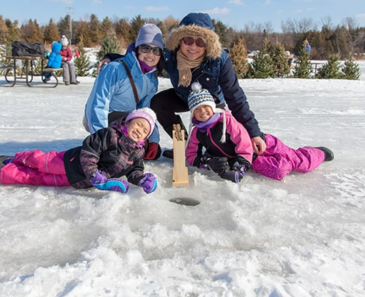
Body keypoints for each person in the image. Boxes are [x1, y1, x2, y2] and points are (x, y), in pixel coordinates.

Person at [99, 13, 266, 159]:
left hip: (212, 103)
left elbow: (236, 97)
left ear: (208, 44)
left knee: (216, 143)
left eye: (200, 42)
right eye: (188, 40)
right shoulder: (169, 56)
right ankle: (184, 146)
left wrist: (254, 133)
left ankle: (209, 149)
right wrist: (111, 57)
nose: (193, 46)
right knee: (158, 103)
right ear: (180, 40)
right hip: (183, 97)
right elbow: (141, 54)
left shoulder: (219, 60)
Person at [0, 108, 158, 194]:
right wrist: (95, 176)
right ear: (128, 121)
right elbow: (89, 152)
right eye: (138, 124)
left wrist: (142, 179)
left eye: (144, 130)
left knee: (33, 178)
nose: (139, 130)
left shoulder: (137, 153)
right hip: (68, 162)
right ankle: (13, 159)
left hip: (76, 180)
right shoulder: (109, 134)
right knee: (38, 161)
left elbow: (134, 171)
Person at [185, 83, 334, 182]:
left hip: (262, 143)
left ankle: (318, 153)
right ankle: (286, 160)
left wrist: (240, 167)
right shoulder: (197, 132)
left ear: (212, 107)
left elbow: (243, 143)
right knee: (279, 171)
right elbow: (191, 155)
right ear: (193, 114)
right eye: (197, 110)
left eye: (205, 107)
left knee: (300, 162)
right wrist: (208, 163)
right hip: (254, 158)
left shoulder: (226, 121)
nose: (202, 112)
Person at [84, 23, 165, 160]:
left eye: (156, 50)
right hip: (105, 117)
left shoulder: (152, 79)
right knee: (118, 152)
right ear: (138, 49)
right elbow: (98, 104)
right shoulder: (114, 69)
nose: (151, 54)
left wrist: (153, 140)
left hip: (128, 122)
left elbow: (145, 111)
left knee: (146, 153)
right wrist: (101, 140)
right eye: (146, 48)